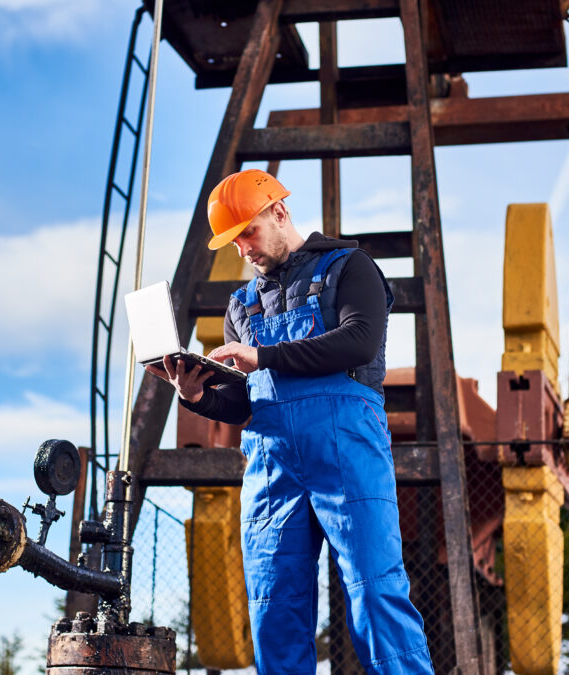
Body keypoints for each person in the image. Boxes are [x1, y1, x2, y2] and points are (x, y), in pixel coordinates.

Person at [147, 169, 434, 675]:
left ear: (279, 212)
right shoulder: (241, 304)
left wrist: (264, 355)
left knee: (376, 592)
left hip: (347, 449)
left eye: (247, 233)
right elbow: (243, 401)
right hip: (271, 467)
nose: (243, 250)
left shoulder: (351, 267)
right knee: (274, 608)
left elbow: (358, 340)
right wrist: (197, 397)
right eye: (232, 243)